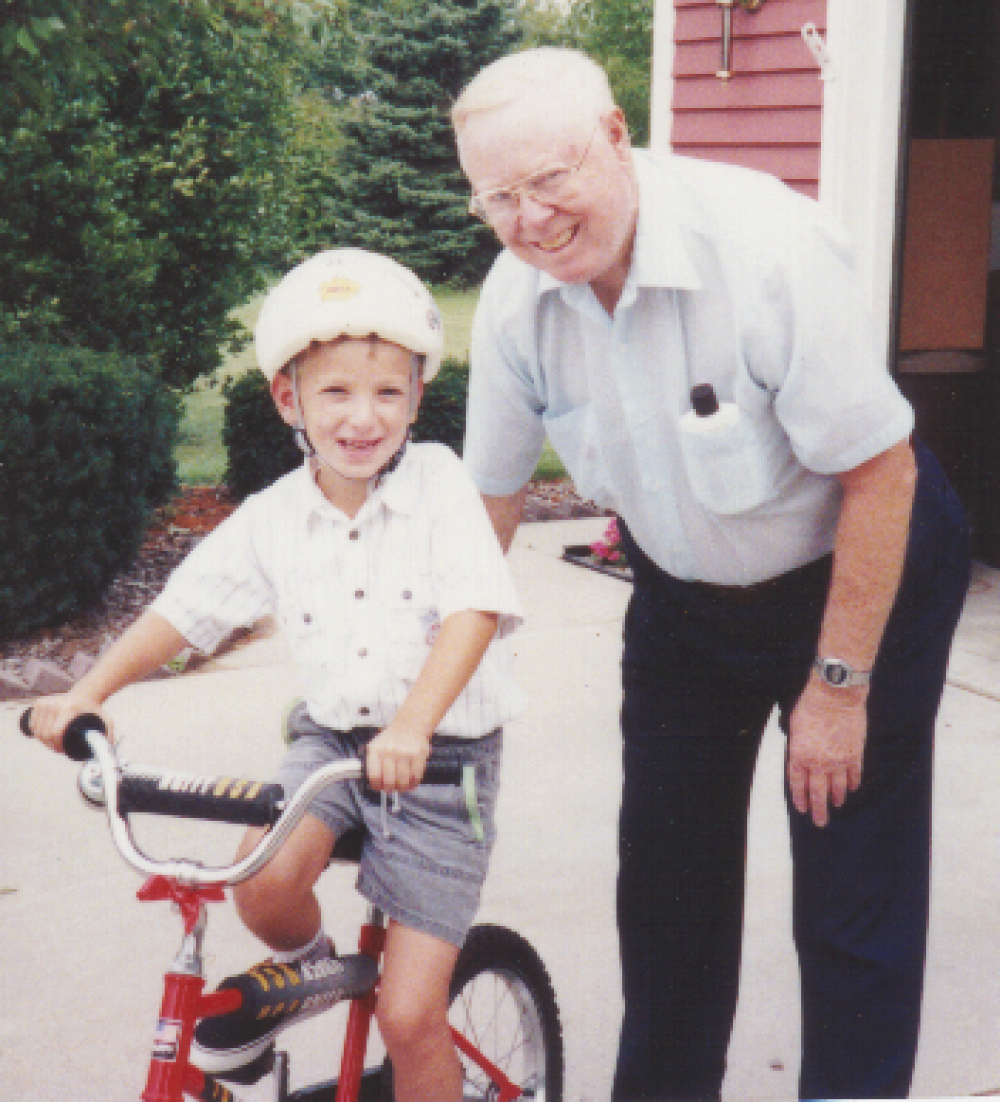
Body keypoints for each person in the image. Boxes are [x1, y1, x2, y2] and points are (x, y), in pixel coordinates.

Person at [451, 46, 971, 1101]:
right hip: (686, 599)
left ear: (613, 136)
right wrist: (427, 679)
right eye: (497, 196)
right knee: (667, 888)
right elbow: (488, 503)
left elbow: (880, 475)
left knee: (847, 888)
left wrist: (836, 688)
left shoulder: (763, 250)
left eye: (551, 180)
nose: (531, 218)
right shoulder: (518, 304)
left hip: (862, 565)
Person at [28, 248, 525, 1102]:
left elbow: (473, 610)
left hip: (441, 760)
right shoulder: (274, 518)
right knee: (257, 883)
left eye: (388, 393)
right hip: (331, 744)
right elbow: (180, 614)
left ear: (416, 399)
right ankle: (311, 971)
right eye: (336, 391)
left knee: (410, 1018)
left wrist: (413, 725)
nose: (362, 417)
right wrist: (88, 693)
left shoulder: (442, 486)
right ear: (289, 399)